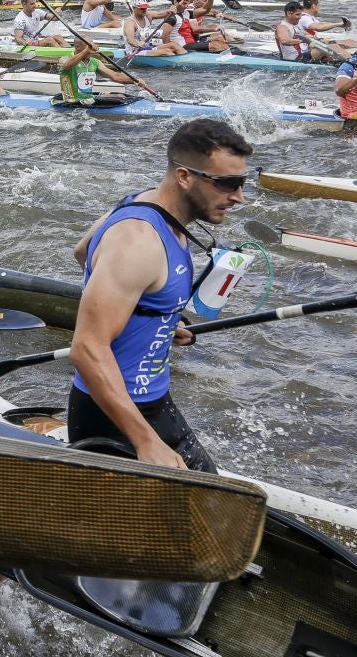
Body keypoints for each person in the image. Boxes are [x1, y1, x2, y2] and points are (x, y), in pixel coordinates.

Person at [69, 119, 253, 470]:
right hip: (114, 417)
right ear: (185, 177)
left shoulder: (146, 204)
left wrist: (156, 318)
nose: (238, 196)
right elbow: (87, 349)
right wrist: (146, 443)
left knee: (211, 501)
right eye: (227, 183)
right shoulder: (138, 242)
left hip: (154, 401)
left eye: (242, 182)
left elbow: (83, 251)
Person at [48, 36, 134, 106]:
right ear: (77, 47)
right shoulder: (65, 58)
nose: (91, 49)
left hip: (88, 99)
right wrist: (85, 51)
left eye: (91, 46)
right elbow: (67, 65)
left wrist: (134, 80)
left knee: (120, 96)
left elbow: (115, 76)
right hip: (72, 101)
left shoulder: (95, 62)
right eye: (88, 47)